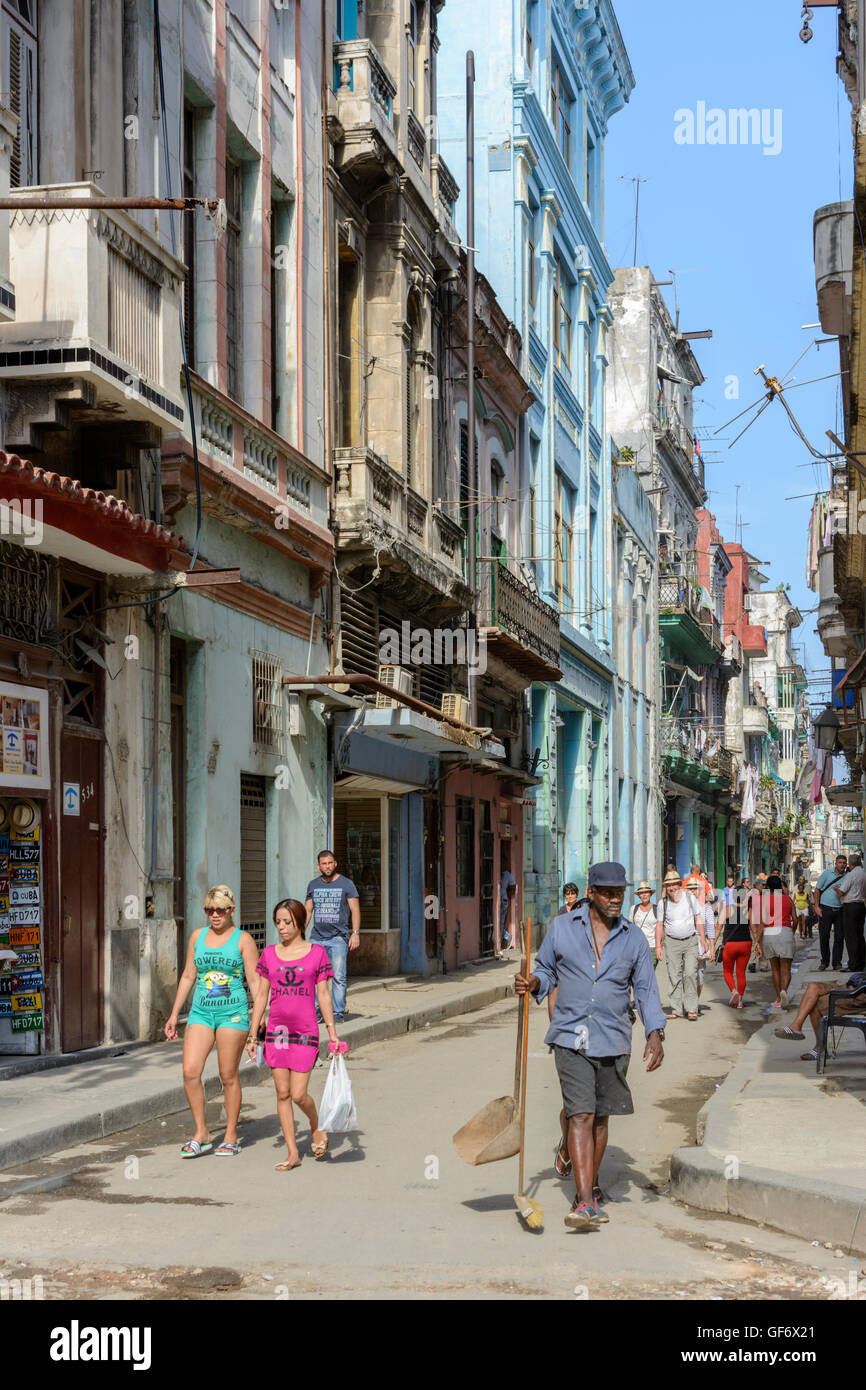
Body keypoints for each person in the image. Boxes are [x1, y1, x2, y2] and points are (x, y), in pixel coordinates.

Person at [514, 861, 666, 1231]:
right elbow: (547, 968)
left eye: (620, 893)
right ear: (591, 894)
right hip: (570, 1034)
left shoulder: (632, 938)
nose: (616, 899)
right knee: (582, 1113)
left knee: (599, 1117)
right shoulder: (563, 928)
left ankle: (575, 1160)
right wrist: (534, 982)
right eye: (609, 893)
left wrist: (655, 1032)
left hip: (613, 1036)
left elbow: (645, 988)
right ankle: (585, 1201)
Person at [164, 885, 260, 1158]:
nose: (214, 915)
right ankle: (202, 1133)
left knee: (228, 1075)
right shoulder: (197, 936)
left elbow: (255, 982)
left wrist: (257, 1023)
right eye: (209, 910)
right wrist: (174, 1014)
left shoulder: (243, 940)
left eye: (220, 910)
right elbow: (187, 976)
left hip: (233, 1013)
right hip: (201, 1012)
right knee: (190, 1072)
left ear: (232, 910)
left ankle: (230, 1134)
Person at [247, 899, 340, 1170]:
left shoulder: (317, 953)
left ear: (300, 922)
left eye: (287, 922)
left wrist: (331, 1032)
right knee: (283, 1093)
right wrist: (253, 1036)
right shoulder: (269, 954)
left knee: (299, 1094)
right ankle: (292, 1153)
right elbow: (261, 995)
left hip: (305, 1031)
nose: (282, 927)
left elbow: (323, 994)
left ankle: (316, 1124)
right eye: (278, 922)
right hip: (277, 1032)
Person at [305, 850, 360, 1024]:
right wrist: (298, 934)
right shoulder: (313, 885)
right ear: (318, 866)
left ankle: (337, 1013)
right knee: (312, 976)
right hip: (316, 938)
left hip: (338, 939)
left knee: (338, 977)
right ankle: (317, 1011)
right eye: (324, 863)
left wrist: (356, 933)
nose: (327, 866)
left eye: (330, 863)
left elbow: (355, 910)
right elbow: (308, 910)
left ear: (335, 864)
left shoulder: (347, 884)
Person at [774, 971, 866, 1062]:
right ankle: (796, 1026)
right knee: (813, 986)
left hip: (860, 993)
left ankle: (819, 1047)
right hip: (855, 984)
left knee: (815, 1004)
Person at [655, 866, 707, 1021]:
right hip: (671, 942)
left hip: (690, 940)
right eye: (668, 885)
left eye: (674, 884)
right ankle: (677, 1009)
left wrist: (703, 939)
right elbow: (659, 925)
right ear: (666, 887)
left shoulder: (690, 898)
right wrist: (658, 945)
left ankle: (691, 1008)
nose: (671, 887)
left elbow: (698, 919)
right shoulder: (663, 903)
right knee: (673, 975)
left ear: (679, 884)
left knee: (691, 973)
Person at [751, 874, 795, 1009]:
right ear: (780, 886)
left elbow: (762, 923)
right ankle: (784, 991)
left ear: (768, 887)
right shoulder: (788, 899)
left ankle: (778, 999)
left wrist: (756, 941)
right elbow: (796, 919)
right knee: (786, 968)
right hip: (785, 932)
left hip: (770, 935)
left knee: (775, 969)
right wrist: (791, 932)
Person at [716, 881, 753, 1007]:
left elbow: (718, 927)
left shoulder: (726, 909)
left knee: (727, 972)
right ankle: (740, 1001)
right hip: (745, 944)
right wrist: (757, 943)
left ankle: (734, 991)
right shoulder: (748, 911)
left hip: (730, 945)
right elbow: (753, 928)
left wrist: (712, 945)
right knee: (741, 973)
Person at [833, 852, 866, 973]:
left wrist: (836, 888)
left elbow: (842, 892)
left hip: (850, 906)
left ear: (850, 864)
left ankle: (853, 964)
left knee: (851, 937)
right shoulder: (863, 874)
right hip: (861, 906)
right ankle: (861, 962)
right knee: (859, 936)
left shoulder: (851, 875)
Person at [814, 854, 847, 971]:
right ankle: (824, 962)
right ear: (835, 863)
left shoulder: (848, 876)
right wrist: (816, 906)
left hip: (841, 910)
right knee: (824, 937)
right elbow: (817, 889)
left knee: (839, 937)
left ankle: (837, 963)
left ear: (846, 864)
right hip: (825, 909)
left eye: (844, 863)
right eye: (840, 862)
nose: (842, 865)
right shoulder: (827, 874)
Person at [630, 882, 658, 967]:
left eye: (646, 892)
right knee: (637, 974)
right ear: (638, 895)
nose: (644, 895)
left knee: (649, 973)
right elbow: (631, 929)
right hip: (637, 947)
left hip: (652, 947)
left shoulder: (656, 909)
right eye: (641, 893)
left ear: (650, 894)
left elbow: (661, 929)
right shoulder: (634, 909)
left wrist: (658, 946)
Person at [498, 850, 517, 958]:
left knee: (500, 923)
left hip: (503, 901)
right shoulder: (496, 873)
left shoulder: (507, 874)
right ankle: (505, 936)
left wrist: (507, 895)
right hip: (497, 901)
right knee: (497, 922)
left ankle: (504, 940)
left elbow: (513, 887)